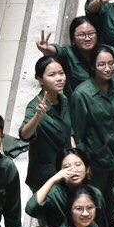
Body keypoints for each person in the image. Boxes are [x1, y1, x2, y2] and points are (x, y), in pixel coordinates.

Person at [68, 44, 114, 213]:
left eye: (111, 64)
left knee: (113, 196)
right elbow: (78, 133)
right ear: (93, 66)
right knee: (96, 199)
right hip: (95, 159)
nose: (107, 68)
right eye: (102, 64)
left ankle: (111, 223)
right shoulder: (82, 94)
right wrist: (84, 163)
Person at [26, 147, 111, 227]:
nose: (73, 169)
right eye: (67, 167)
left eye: (78, 165)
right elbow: (31, 209)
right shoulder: (54, 194)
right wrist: (52, 180)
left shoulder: (95, 193)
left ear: (87, 168)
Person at [19, 56, 74, 191]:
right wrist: (38, 116)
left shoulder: (65, 100)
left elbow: (70, 132)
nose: (59, 78)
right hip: (44, 177)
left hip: (66, 171)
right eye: (52, 75)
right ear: (40, 80)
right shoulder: (35, 106)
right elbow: (24, 134)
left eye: (61, 73)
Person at [33, 16, 114, 94]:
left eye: (91, 33)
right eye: (82, 35)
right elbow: (57, 51)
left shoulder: (108, 52)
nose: (87, 38)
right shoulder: (68, 53)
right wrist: (46, 48)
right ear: (73, 39)